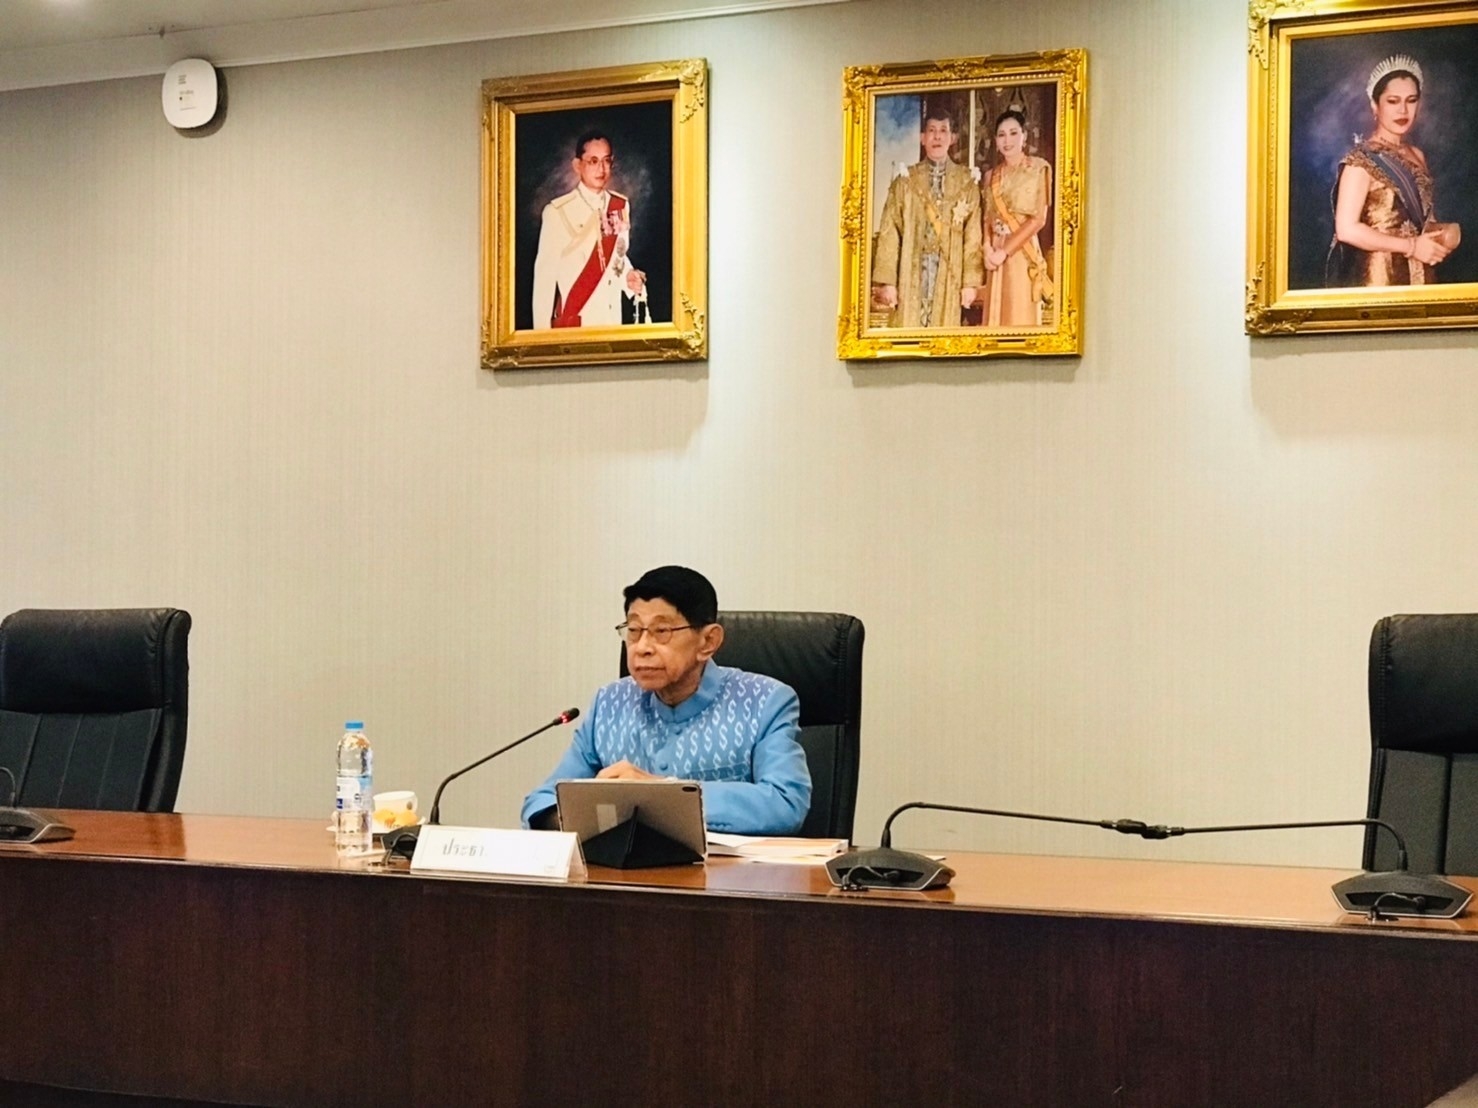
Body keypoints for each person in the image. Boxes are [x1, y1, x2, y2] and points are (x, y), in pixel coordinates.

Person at [521, 566, 811, 835]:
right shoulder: (608, 704)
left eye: (662, 632)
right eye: (634, 630)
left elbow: (785, 803)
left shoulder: (763, 701)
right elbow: (542, 801)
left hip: (727, 873)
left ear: (708, 642)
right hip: (626, 870)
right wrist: (580, 815)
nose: (642, 648)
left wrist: (660, 795)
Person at [1326, 54, 1460, 287]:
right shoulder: (1360, 160)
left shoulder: (1417, 155)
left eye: (1411, 100)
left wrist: (1441, 236)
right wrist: (1411, 246)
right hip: (1380, 276)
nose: (1403, 110)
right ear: (1375, 105)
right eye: (1393, 101)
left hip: (1422, 272)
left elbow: (1421, 220)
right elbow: (1346, 229)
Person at [870, 109, 984, 328]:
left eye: (943, 130)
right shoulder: (905, 181)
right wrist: (888, 282)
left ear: (952, 138)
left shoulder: (966, 182)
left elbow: (973, 236)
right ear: (923, 138)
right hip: (911, 272)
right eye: (931, 130)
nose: (937, 136)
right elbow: (889, 232)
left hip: (949, 275)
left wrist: (970, 283)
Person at [531, 132, 648, 327]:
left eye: (606, 161)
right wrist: (541, 337)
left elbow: (617, 257)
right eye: (593, 161)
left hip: (612, 321)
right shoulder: (557, 212)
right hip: (576, 323)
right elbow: (544, 281)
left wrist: (628, 277)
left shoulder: (620, 205)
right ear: (578, 165)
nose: (601, 169)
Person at [978, 109, 1053, 327]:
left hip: (1022, 251)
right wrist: (987, 249)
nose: (1007, 140)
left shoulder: (1038, 169)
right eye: (1001, 135)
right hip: (995, 253)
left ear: (1024, 136)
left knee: (1019, 316)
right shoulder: (991, 176)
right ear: (995, 140)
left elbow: (1038, 219)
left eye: (1013, 133)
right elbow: (987, 218)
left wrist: (1005, 251)